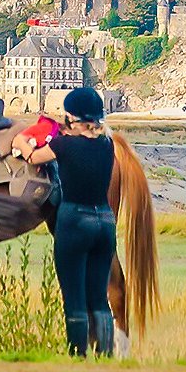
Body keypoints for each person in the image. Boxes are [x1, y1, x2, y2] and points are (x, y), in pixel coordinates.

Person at [23, 86, 118, 357]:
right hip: (105, 221)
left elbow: (33, 156)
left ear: (72, 119)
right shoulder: (107, 143)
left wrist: (21, 142)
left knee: (74, 297)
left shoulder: (64, 144)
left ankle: (77, 355)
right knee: (99, 297)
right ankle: (106, 354)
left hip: (74, 221)